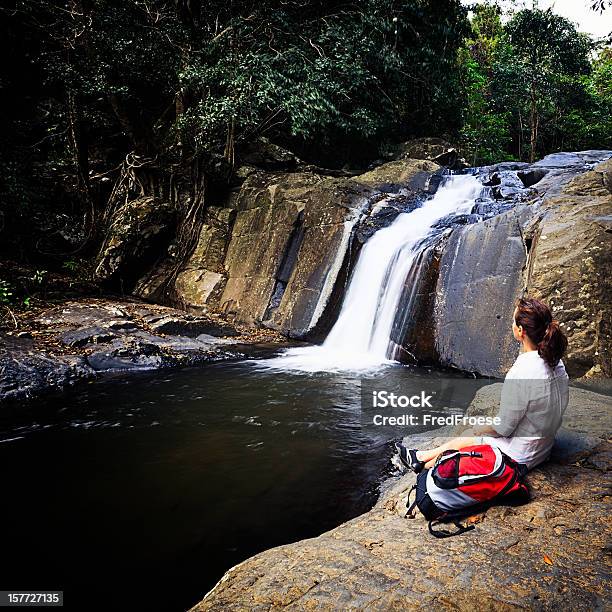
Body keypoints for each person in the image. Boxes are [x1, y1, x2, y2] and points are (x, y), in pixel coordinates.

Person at [397, 296, 570, 473]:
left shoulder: (522, 372)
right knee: (476, 430)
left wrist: (481, 428)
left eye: (512, 321)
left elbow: (504, 428)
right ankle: (420, 459)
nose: (511, 324)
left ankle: (421, 463)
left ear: (520, 331)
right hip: (543, 447)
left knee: (469, 435)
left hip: (521, 456)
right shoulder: (556, 362)